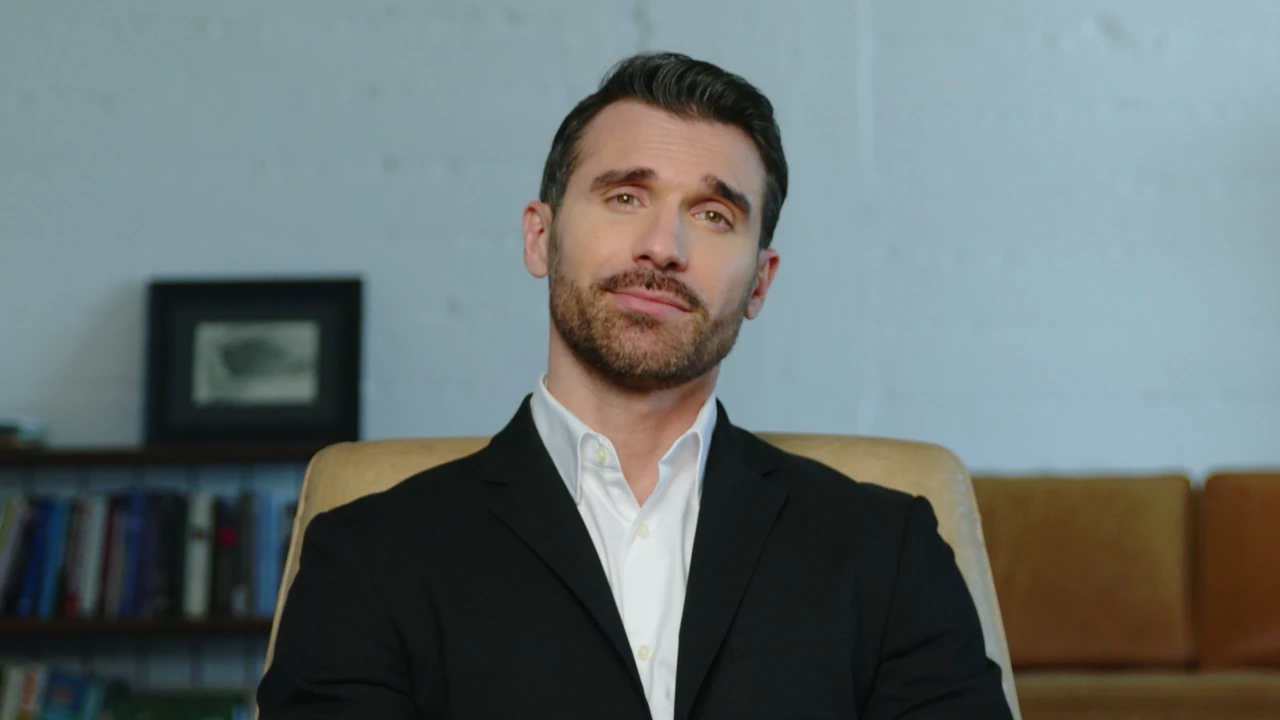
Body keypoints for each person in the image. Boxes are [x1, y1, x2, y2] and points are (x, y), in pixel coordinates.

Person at [257, 51, 1013, 720]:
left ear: (759, 282)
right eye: (625, 196)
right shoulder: (368, 556)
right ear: (540, 237)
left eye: (713, 214)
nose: (663, 246)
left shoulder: (886, 550)